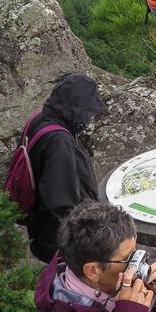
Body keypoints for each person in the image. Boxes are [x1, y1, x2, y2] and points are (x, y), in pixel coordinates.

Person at [23, 74, 106, 262]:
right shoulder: (59, 143)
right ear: (76, 108)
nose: (89, 119)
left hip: (39, 227)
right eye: (87, 111)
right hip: (59, 240)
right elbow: (61, 201)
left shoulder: (40, 119)